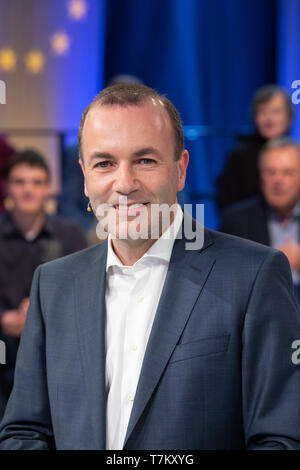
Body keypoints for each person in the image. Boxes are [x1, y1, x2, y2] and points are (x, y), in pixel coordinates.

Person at [1, 84, 300, 450]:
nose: (124, 184)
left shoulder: (254, 276)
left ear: (180, 170)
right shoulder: (52, 284)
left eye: (145, 160)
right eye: (104, 163)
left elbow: (280, 439)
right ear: (84, 176)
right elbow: (23, 433)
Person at [0, 150, 87, 419]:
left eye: (37, 182)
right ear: (7, 187)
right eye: (19, 182)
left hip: (55, 347)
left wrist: (39, 317)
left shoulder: (70, 235)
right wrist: (3, 320)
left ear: (48, 189)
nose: (28, 190)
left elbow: (83, 295)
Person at [220, 136, 300, 306]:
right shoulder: (236, 221)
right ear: (260, 176)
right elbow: (224, 280)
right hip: (257, 314)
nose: (278, 180)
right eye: (271, 172)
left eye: (287, 172)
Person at [218, 85, 293, 212]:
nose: (269, 118)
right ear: (254, 117)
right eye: (263, 112)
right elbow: (227, 206)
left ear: (289, 118)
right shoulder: (238, 157)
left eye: (276, 112)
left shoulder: (295, 156)